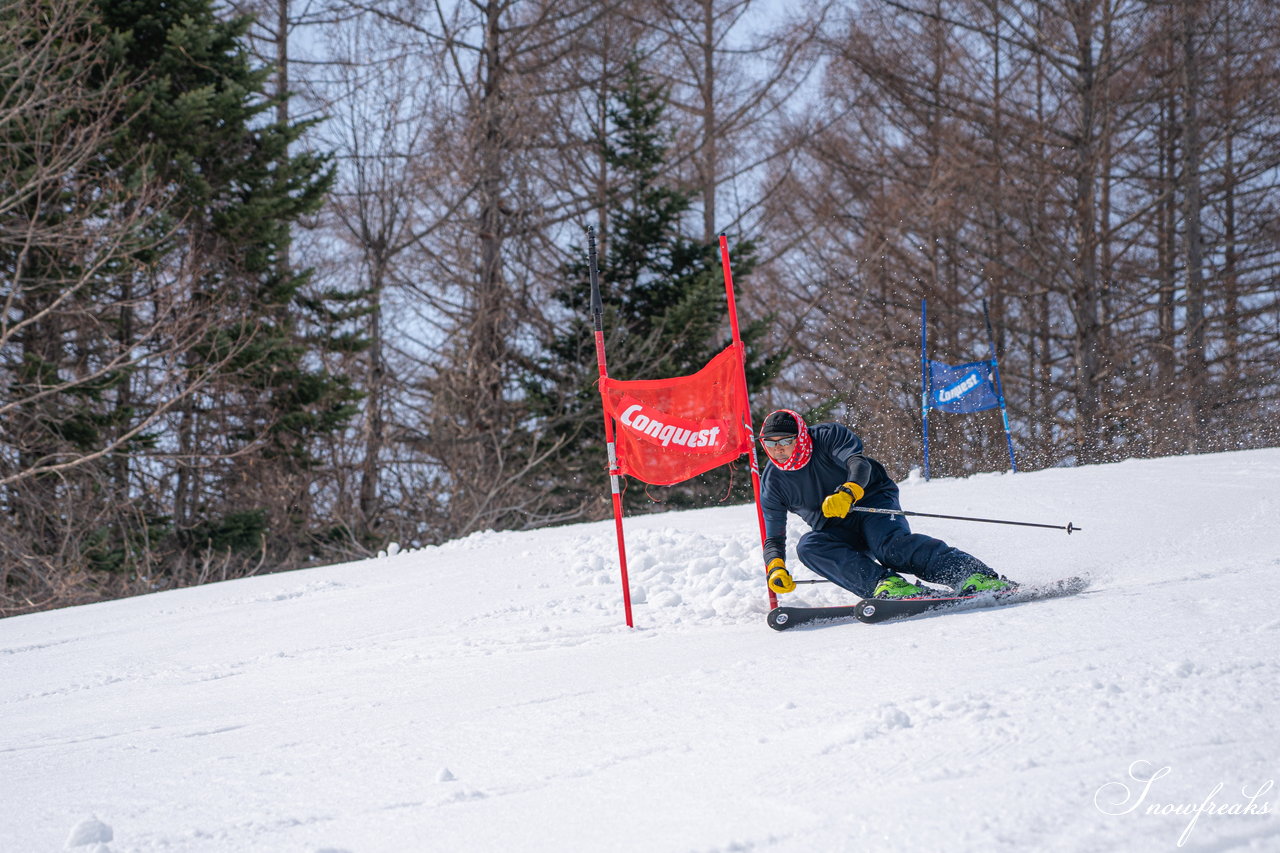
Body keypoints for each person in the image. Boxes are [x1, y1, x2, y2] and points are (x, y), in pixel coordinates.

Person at [757, 409, 1015, 600]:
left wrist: (849, 491)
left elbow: (858, 463)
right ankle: (887, 585)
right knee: (809, 547)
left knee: (889, 548)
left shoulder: (826, 436)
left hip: (871, 503)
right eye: (770, 443)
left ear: (800, 436)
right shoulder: (773, 482)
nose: (778, 449)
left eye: (785, 441)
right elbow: (774, 535)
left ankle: (972, 574)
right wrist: (775, 566)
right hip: (835, 527)